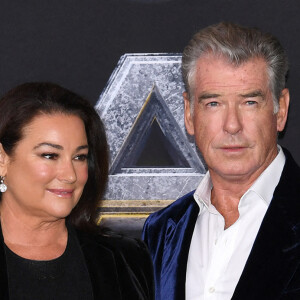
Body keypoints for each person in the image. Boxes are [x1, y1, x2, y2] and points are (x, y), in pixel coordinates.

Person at [142, 22, 300, 299]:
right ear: (189, 114)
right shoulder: (161, 232)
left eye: (249, 102)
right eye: (213, 103)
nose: (232, 126)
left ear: (281, 110)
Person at [0, 82, 154, 300]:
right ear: (2, 160)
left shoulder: (125, 260)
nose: (70, 175)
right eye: (50, 155)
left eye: (79, 157)